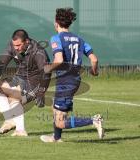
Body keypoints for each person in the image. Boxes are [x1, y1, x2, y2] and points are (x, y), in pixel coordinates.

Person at [40, 8, 104, 142]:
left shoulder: (56, 38)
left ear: (56, 23)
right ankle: (56, 138)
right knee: (55, 108)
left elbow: (59, 60)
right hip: (74, 80)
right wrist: (94, 71)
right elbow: (94, 59)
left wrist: (47, 68)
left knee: (60, 122)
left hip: (65, 82)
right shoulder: (79, 40)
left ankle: (93, 120)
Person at [0, 29, 51, 136]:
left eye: (18, 45)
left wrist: (41, 92)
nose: (16, 48)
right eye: (14, 45)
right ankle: (12, 122)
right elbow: (2, 64)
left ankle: (19, 129)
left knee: (14, 95)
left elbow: (46, 73)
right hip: (19, 79)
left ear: (27, 41)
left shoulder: (38, 51)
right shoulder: (13, 45)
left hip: (35, 84)